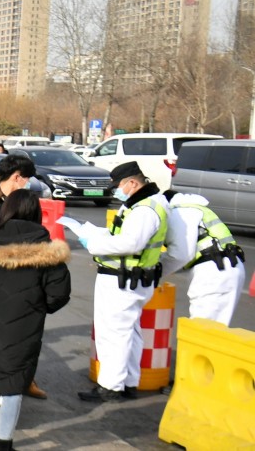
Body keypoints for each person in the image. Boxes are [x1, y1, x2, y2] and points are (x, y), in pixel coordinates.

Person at [0, 190, 72, 451]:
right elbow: (59, 295)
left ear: (6, 209)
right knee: (13, 386)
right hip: (24, 329)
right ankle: (4, 444)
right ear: (35, 212)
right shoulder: (46, 252)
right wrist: (35, 308)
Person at [78, 162, 167, 403]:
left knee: (114, 333)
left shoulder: (144, 210)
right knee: (130, 332)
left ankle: (110, 386)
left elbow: (131, 243)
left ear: (133, 183)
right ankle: (128, 381)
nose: (117, 190)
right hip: (131, 279)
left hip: (124, 280)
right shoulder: (145, 204)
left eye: (119, 186)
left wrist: (93, 244)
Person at [161, 191, 244, 325]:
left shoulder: (180, 213)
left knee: (202, 327)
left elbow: (181, 255)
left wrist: (155, 271)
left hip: (213, 272)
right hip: (230, 265)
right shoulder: (198, 209)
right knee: (218, 326)